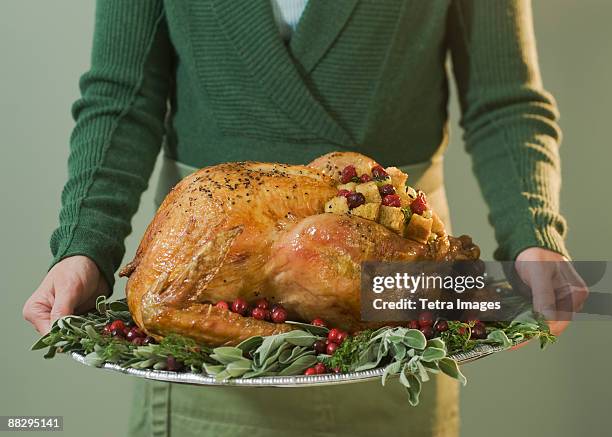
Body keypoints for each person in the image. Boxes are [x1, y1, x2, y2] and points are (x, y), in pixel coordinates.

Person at [23, 1, 587, 436]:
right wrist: (84, 246)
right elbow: (122, 94)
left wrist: (533, 236)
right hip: (209, 302)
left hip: (400, 298)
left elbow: (503, 98)